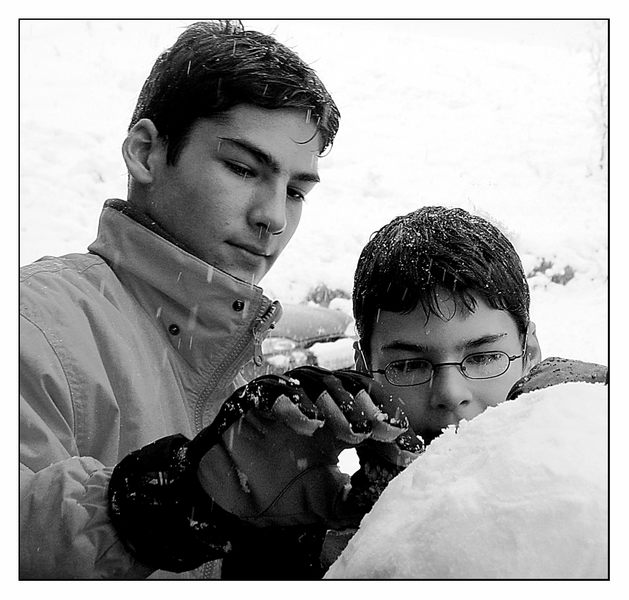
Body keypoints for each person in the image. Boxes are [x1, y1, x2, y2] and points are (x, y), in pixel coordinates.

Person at [20, 20, 413, 580]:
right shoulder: (31, 326)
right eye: (242, 169)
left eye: (296, 192)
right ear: (146, 153)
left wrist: (328, 533)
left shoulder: (242, 375)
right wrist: (176, 502)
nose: (273, 217)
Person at [341, 205, 608, 522]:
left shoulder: (597, 497)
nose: (451, 394)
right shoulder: (326, 528)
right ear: (363, 368)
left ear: (530, 353)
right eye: (409, 365)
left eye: (483, 358)